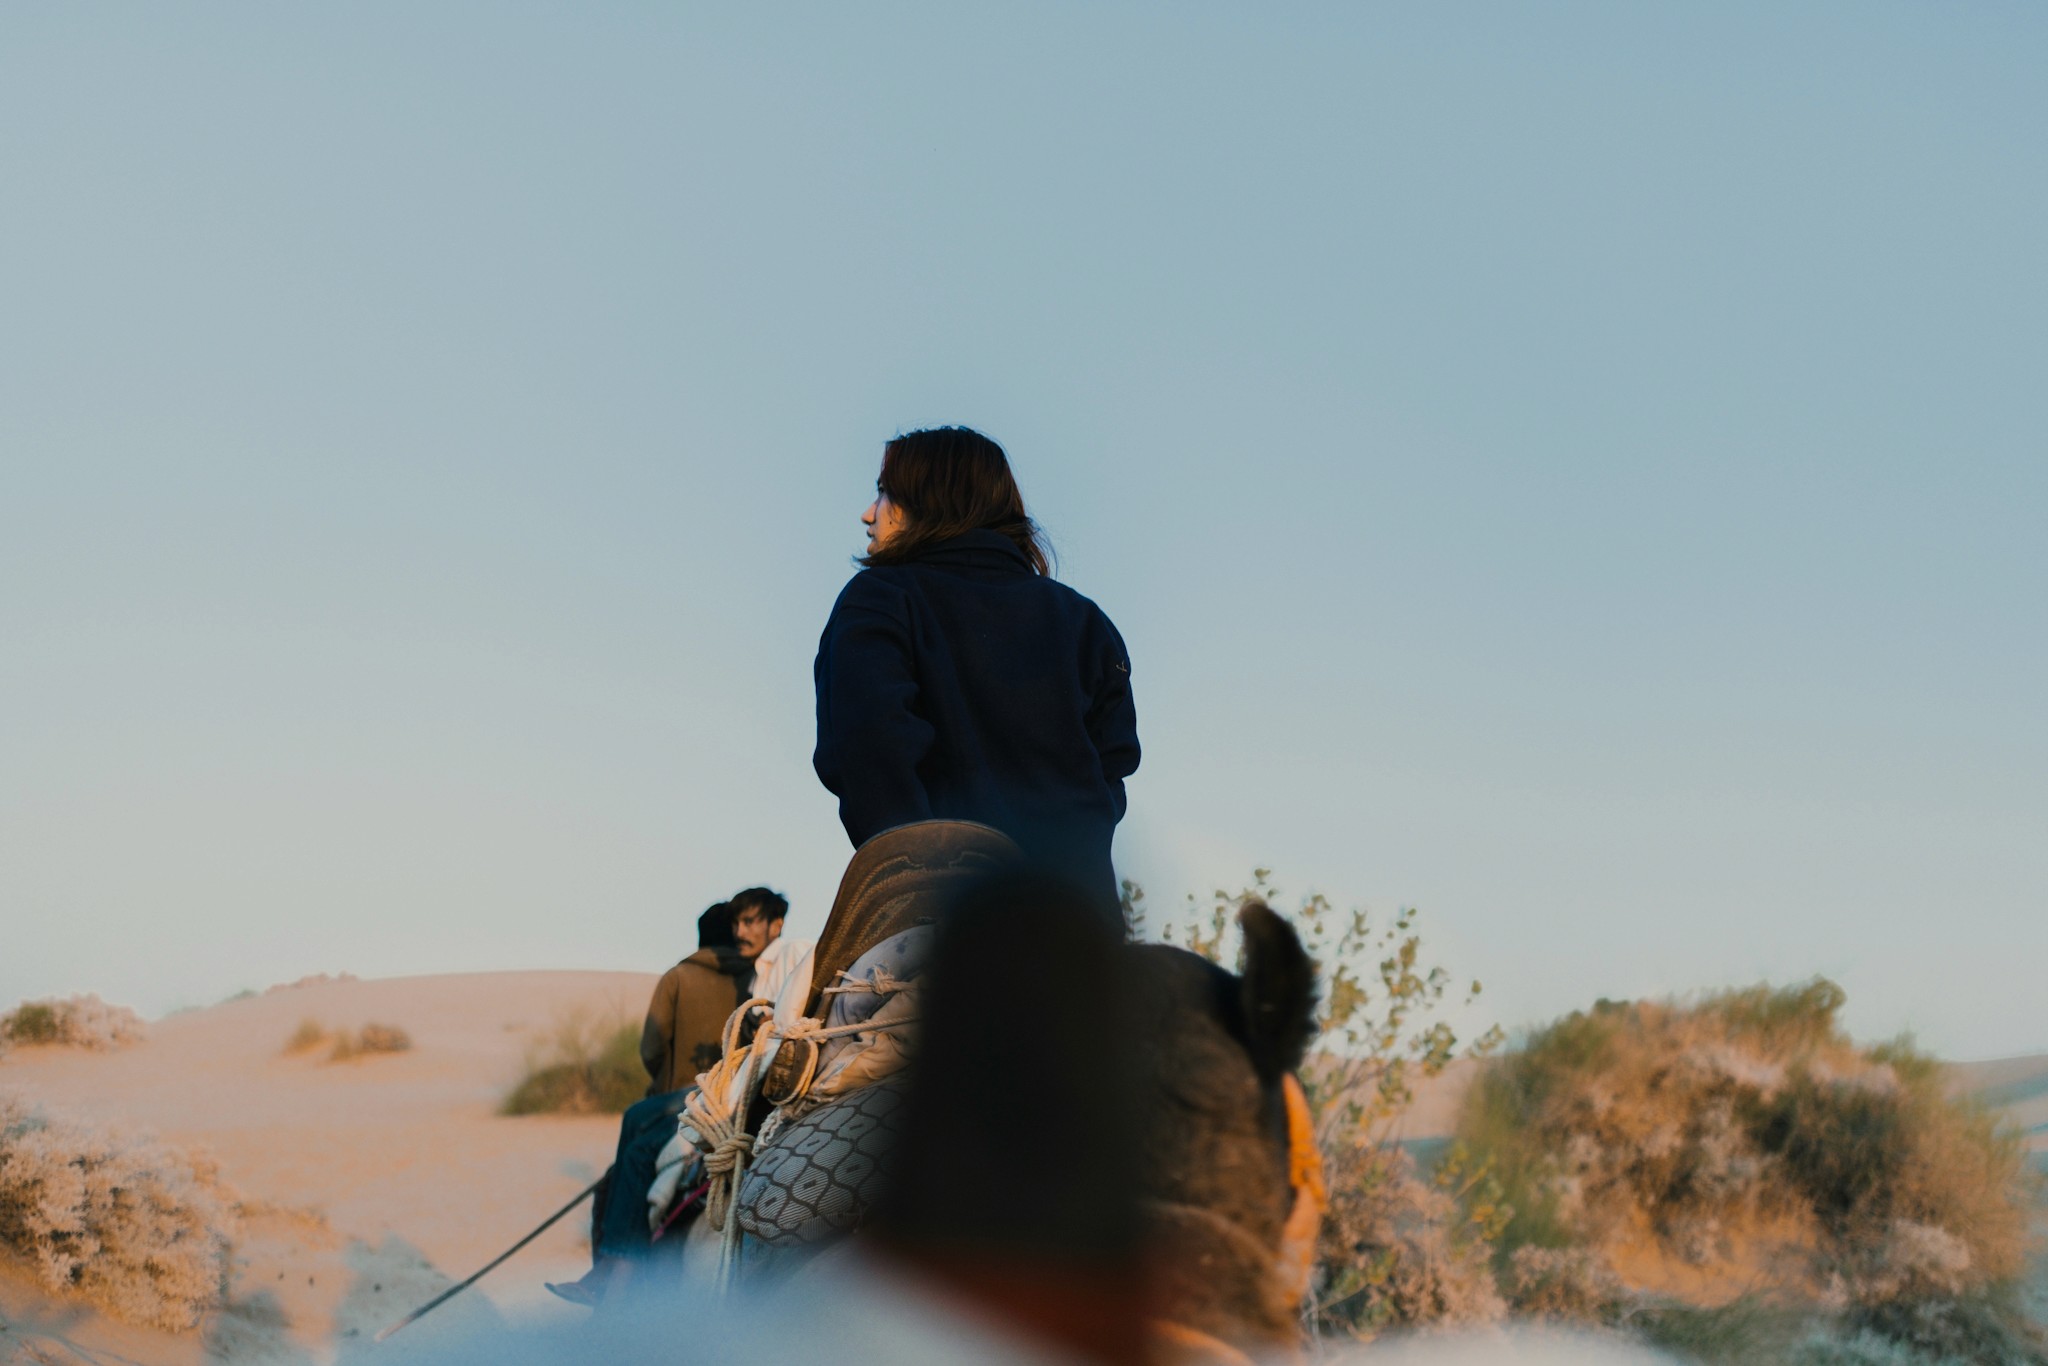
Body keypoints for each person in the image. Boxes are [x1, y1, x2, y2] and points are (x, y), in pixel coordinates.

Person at [813, 427, 1140, 921]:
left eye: (885, 492)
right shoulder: (1084, 620)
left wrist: (919, 891)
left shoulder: (880, 598)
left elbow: (868, 754)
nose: (868, 512)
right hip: (1079, 934)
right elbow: (1112, 768)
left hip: (943, 938)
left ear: (930, 497)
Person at [547, 887, 788, 1305]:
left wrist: (663, 1082)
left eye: (750, 921)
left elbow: (652, 1048)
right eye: (738, 923)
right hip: (736, 1093)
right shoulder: (753, 974)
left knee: (621, 1171)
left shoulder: (680, 977)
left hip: (701, 1097)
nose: (743, 930)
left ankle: (611, 1275)